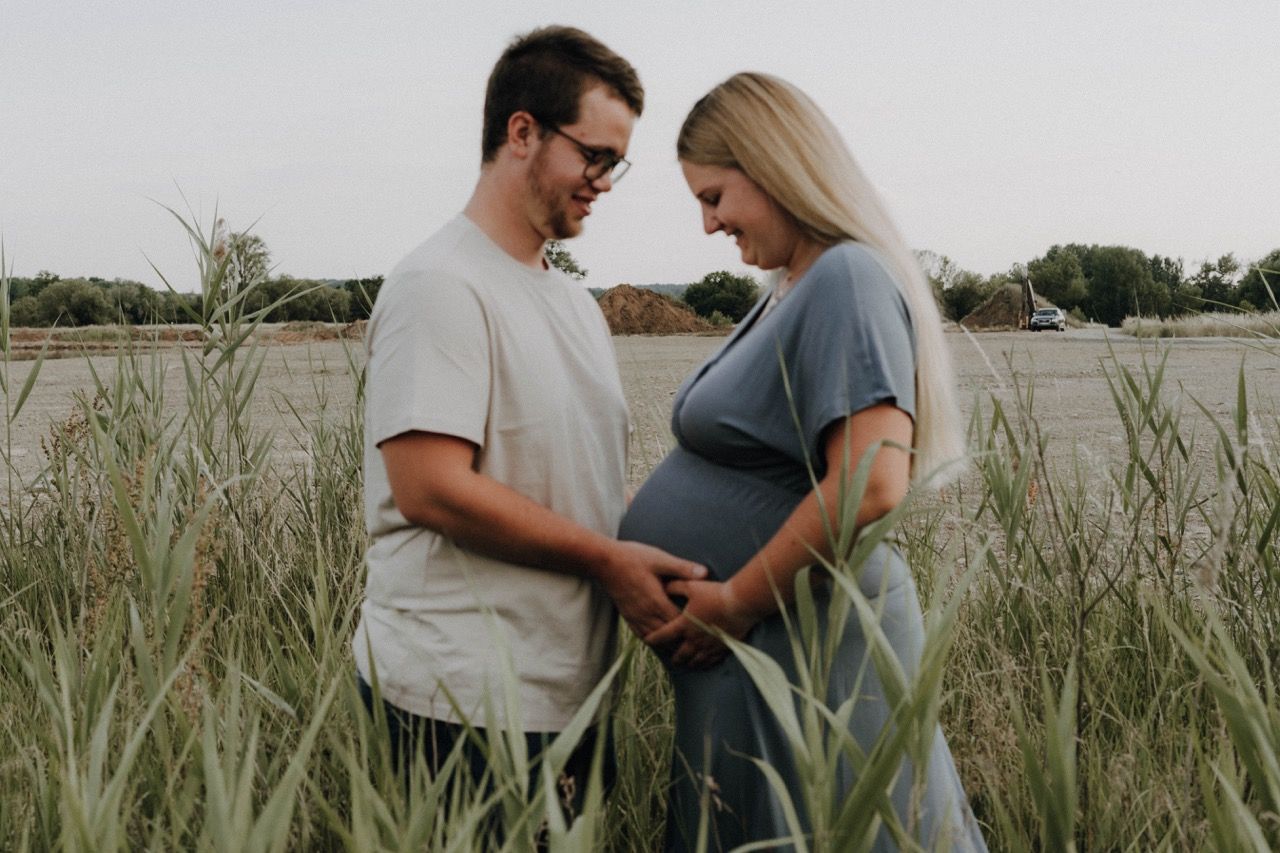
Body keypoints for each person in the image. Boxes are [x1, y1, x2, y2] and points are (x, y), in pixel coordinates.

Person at [618, 73, 987, 850]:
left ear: (772, 167)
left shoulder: (847, 277)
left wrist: (735, 601)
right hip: (766, 649)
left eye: (715, 196)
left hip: (808, 645)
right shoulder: (790, 286)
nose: (709, 223)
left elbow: (871, 481)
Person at [352, 25, 705, 798]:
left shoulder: (574, 304)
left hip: (567, 696)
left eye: (616, 163)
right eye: (594, 155)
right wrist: (609, 562)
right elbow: (430, 487)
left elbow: (577, 483)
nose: (604, 181)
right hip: (458, 699)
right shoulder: (441, 284)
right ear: (522, 132)